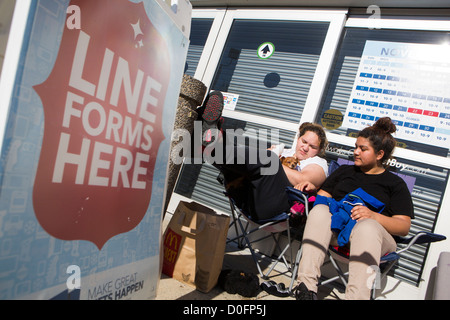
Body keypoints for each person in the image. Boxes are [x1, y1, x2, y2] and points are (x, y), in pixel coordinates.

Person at [293, 117, 414, 300]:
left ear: (379, 154)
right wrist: (312, 188)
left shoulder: (395, 184)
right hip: (339, 230)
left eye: (363, 149)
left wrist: (373, 216)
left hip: (376, 239)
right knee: (319, 211)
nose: (356, 152)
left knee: (367, 226)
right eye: (356, 146)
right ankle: (305, 287)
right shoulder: (345, 171)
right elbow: (323, 199)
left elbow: (403, 227)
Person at [195, 91, 328, 221]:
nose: (305, 148)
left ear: (319, 150)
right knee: (241, 154)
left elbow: (302, 180)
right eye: (304, 142)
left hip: (275, 208)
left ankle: (209, 142)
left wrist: (271, 158)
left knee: (269, 161)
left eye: (312, 147)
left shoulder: (318, 163)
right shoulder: (286, 152)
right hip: (245, 196)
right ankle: (210, 135)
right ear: (298, 139)